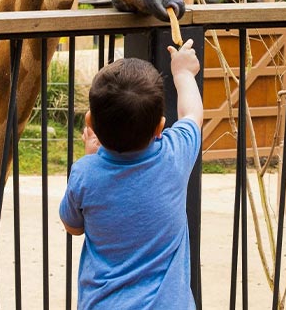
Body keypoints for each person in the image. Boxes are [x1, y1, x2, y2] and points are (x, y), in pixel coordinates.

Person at [59, 39, 203, 309]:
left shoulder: (84, 173)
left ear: (90, 122)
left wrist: (91, 157)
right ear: (160, 127)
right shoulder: (174, 155)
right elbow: (192, 114)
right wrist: (183, 73)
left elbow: (72, 226)